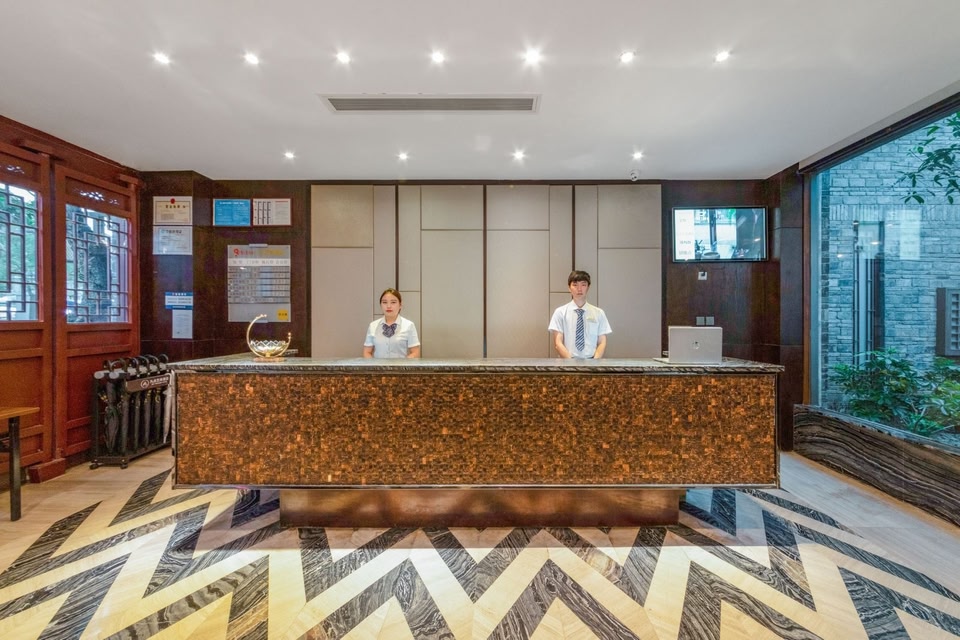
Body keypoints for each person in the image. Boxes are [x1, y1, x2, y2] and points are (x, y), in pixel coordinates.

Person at [548, 270, 612, 359]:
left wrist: (595, 363)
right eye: (575, 285)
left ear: (588, 287)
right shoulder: (560, 312)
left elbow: (602, 342)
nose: (579, 289)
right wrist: (571, 363)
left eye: (583, 285)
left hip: (592, 362)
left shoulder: (599, 313)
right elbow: (558, 342)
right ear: (569, 288)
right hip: (567, 362)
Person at [363, 288, 421, 358]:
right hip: (378, 365)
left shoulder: (409, 325)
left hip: (401, 365)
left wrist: (403, 363)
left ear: (400, 305)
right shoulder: (373, 326)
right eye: (384, 302)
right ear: (380, 305)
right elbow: (367, 352)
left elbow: (415, 352)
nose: (388, 306)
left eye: (393, 302)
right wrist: (373, 364)